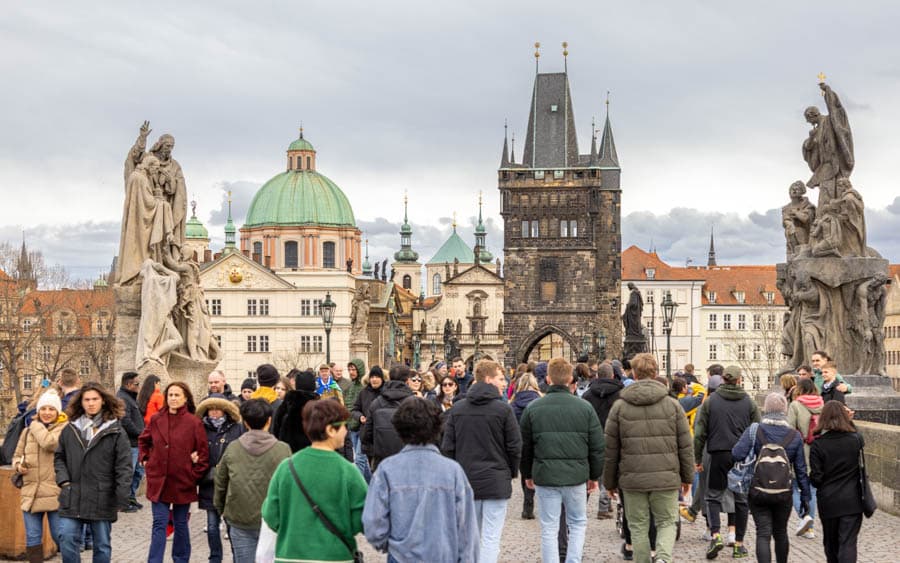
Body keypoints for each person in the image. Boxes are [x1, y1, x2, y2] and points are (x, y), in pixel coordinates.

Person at [363, 397, 479, 562]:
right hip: (443, 554)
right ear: (437, 428)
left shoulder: (387, 470)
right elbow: (467, 528)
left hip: (401, 555)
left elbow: (373, 522)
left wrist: (387, 544)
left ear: (399, 429)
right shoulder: (453, 471)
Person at [603, 353, 693, 563]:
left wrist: (609, 481)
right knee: (667, 522)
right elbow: (685, 445)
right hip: (666, 478)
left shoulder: (620, 407)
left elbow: (611, 449)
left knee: (637, 526)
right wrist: (687, 477)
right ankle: (662, 558)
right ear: (655, 373)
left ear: (633, 373)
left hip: (632, 479)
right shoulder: (672, 406)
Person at [520, 357, 605, 563]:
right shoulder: (584, 408)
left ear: (548, 379)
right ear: (570, 379)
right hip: (576, 476)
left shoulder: (533, 408)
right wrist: (594, 475)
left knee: (549, 526)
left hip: (545, 475)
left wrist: (527, 474)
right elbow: (596, 447)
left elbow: (526, 447)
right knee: (577, 523)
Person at [262, 400, 367, 561]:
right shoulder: (347, 471)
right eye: (344, 425)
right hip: (335, 556)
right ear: (331, 430)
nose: (346, 430)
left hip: (291, 556)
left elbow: (271, 514)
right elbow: (361, 518)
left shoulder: (286, 467)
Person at [441, 359, 522, 563]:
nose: (504, 383)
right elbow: (514, 446)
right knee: (490, 538)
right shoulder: (503, 410)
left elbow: (448, 448)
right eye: (500, 378)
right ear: (488, 379)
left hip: (466, 480)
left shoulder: (457, 409)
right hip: (496, 479)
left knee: (471, 538)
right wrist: (510, 472)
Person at [54, 382, 132, 563]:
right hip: (73, 494)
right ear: (80, 402)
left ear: (103, 401)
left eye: (95, 399)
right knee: (66, 537)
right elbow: (59, 457)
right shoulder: (70, 429)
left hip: (102, 496)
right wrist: (64, 481)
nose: (91, 403)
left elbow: (124, 467)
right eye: (86, 399)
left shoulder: (116, 431)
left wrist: (122, 496)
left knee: (102, 545)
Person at [732, 393, 811, 563]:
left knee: (763, 533)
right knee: (781, 532)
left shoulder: (755, 430)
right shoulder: (794, 435)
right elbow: (801, 470)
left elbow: (737, 454)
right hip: (784, 492)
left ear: (765, 409)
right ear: (784, 410)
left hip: (758, 490)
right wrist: (805, 497)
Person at [693, 365, 760, 559]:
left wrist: (697, 458)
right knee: (740, 500)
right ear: (739, 380)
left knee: (713, 496)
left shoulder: (711, 401)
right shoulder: (749, 402)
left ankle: (716, 535)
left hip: (718, 454)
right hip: (742, 458)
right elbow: (758, 430)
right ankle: (738, 544)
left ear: (723, 379)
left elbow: (699, 433)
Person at [139, 382, 210, 563]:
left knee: (180, 524)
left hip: (182, 482)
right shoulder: (156, 419)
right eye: (170, 395)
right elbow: (143, 440)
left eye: (177, 395)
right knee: (159, 523)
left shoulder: (194, 422)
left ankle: (181, 559)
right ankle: (154, 560)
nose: (173, 398)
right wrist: (145, 459)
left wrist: (193, 476)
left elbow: (203, 454)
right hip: (159, 481)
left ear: (185, 398)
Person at [214, 399, 291, 563]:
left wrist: (221, 508)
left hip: (239, 517)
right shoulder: (283, 450)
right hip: (274, 519)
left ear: (245, 422)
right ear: (269, 421)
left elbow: (221, 482)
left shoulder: (233, 448)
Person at [14, 390, 67, 563]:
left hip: (54, 492)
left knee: (61, 537)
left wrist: (35, 425)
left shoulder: (63, 429)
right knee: (33, 539)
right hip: (30, 492)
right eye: (43, 408)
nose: (46, 412)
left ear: (57, 411)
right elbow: (16, 455)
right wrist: (18, 465)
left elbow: (49, 443)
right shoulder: (26, 432)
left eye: (51, 409)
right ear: (38, 410)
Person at [809, 401, 866, 563]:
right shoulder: (855, 439)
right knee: (848, 543)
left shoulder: (818, 444)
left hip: (829, 501)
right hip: (852, 499)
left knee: (831, 543)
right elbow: (859, 438)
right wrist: (851, 421)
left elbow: (816, 478)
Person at [197, 393, 244, 563]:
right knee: (211, 526)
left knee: (232, 526)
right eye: (211, 409)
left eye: (218, 409)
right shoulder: (201, 428)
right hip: (209, 483)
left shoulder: (236, 428)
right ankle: (215, 558)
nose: (215, 413)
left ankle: (236, 557)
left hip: (231, 484)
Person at [582, 362, 623, 521]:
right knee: (609, 470)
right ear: (613, 375)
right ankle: (604, 506)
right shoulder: (620, 394)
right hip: (612, 436)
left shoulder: (587, 395)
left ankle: (582, 506)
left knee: (591, 470)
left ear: (597, 375)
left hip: (592, 436)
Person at [787, 378, 823, 539]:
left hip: (800, 450)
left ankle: (804, 517)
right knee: (813, 490)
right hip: (817, 451)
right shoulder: (822, 404)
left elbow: (790, 430)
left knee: (794, 487)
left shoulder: (795, 405)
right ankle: (811, 528)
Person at [361, 364, 414, 470]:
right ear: (408, 380)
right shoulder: (415, 403)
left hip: (382, 461)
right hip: (408, 461)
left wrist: (373, 456)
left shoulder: (376, 403)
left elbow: (367, 435)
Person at [509, 373, 542, 520]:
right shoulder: (540, 401)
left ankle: (527, 504)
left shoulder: (513, 403)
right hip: (538, 442)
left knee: (526, 473)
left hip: (520, 442)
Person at [116, 371, 145, 512]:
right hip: (129, 443)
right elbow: (125, 420)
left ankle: (131, 498)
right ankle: (124, 502)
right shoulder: (122, 398)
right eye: (137, 384)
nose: (138, 386)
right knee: (128, 473)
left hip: (136, 443)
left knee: (137, 472)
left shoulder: (130, 398)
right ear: (128, 384)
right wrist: (139, 433)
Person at [351, 366, 384, 482]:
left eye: (377, 377)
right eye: (372, 377)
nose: (374, 379)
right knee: (360, 459)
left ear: (382, 378)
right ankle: (359, 487)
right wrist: (360, 417)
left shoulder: (386, 393)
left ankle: (372, 485)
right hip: (364, 432)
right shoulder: (363, 393)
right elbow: (354, 409)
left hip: (380, 433)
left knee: (377, 463)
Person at [272, 371, 319, 452]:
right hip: (312, 454)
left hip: (288, 453)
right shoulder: (319, 407)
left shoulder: (286, 405)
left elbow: (276, 429)